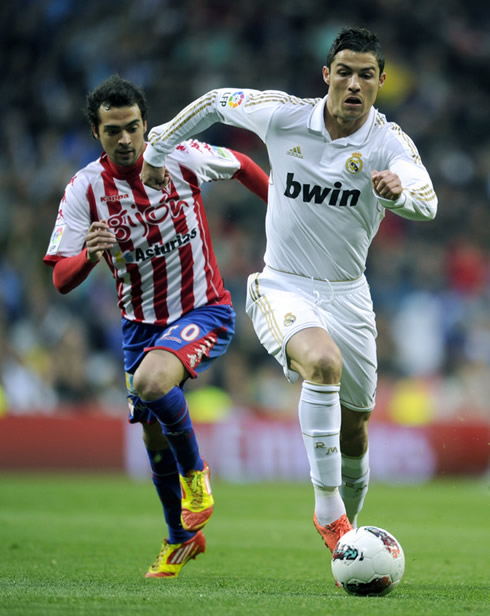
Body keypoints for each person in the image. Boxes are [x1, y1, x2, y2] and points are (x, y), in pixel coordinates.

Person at [140, 26, 438, 558]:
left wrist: (402, 193)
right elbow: (215, 102)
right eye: (343, 72)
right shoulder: (283, 114)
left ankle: (349, 543)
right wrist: (157, 149)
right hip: (282, 284)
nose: (353, 84)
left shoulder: (388, 142)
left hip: (350, 294)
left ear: (381, 83)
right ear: (327, 75)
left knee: (357, 429)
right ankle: (330, 516)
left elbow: (427, 198)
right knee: (322, 364)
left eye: (365, 75)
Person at [44, 75, 269, 578]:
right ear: (96, 133)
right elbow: (60, 276)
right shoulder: (84, 189)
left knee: (150, 384)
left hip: (203, 309)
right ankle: (181, 539)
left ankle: (197, 474)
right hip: (139, 328)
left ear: (147, 125)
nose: (125, 140)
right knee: (151, 439)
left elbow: (244, 166)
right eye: (112, 132)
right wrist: (89, 255)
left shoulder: (182, 154)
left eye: (132, 128)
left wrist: (282, 211)